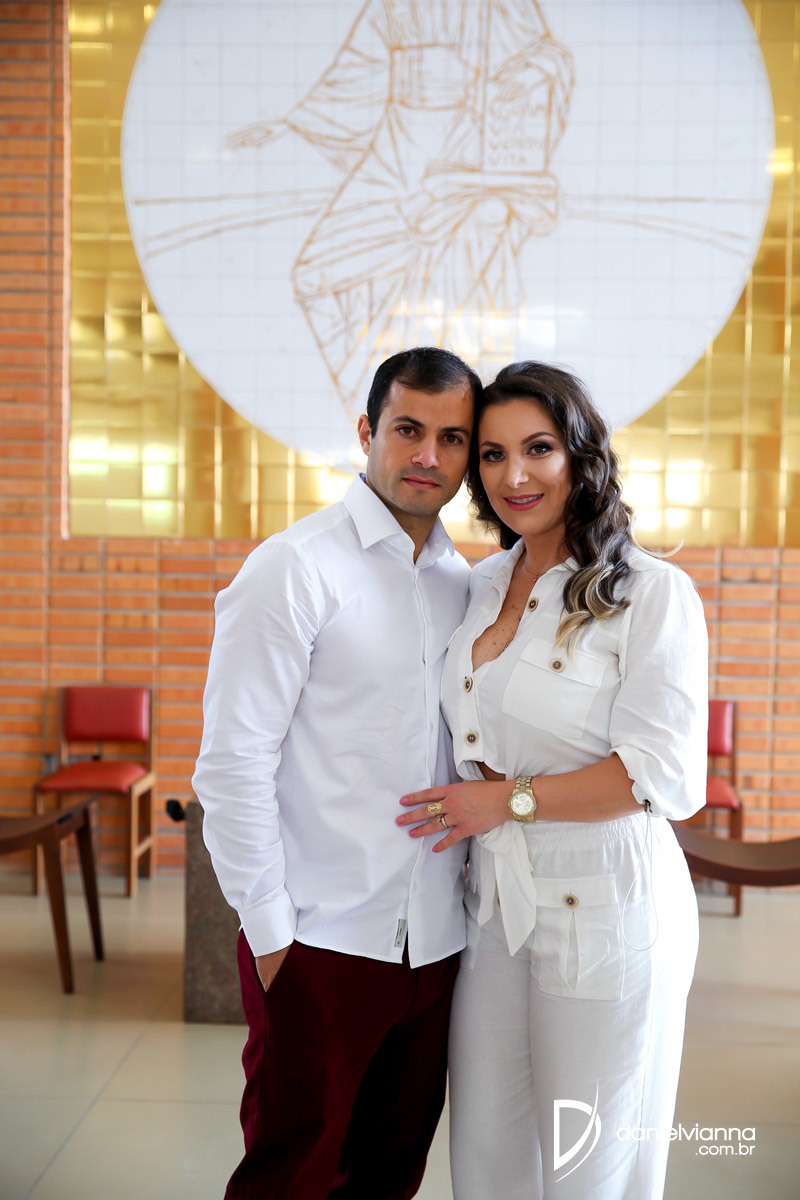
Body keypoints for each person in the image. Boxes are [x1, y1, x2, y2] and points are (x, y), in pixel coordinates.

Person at [398, 362, 708, 1199]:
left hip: (606, 904)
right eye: (492, 454)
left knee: (586, 1168)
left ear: (580, 454)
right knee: (487, 1162)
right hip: (495, 905)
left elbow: (662, 777)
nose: (515, 476)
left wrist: (505, 800)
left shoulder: (651, 593)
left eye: (538, 448)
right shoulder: (479, 584)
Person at [192, 346, 479, 1200]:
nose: (428, 455)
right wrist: (271, 935)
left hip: (436, 947)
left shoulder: (465, 584)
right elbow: (232, 762)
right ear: (366, 431)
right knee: (291, 1177)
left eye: (452, 438)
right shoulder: (295, 566)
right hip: (321, 942)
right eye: (408, 429)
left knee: (390, 1177)